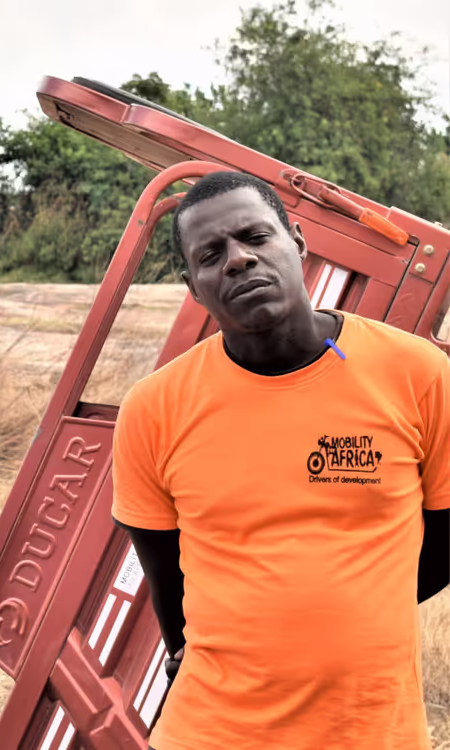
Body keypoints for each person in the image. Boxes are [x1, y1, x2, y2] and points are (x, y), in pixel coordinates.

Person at [111, 170, 450, 750]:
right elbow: (166, 576)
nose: (238, 260)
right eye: (211, 255)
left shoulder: (418, 374)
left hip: (373, 732)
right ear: (194, 287)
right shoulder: (154, 408)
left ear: (297, 242)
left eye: (255, 237)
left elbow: (443, 540)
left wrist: (355, 605)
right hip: (211, 734)